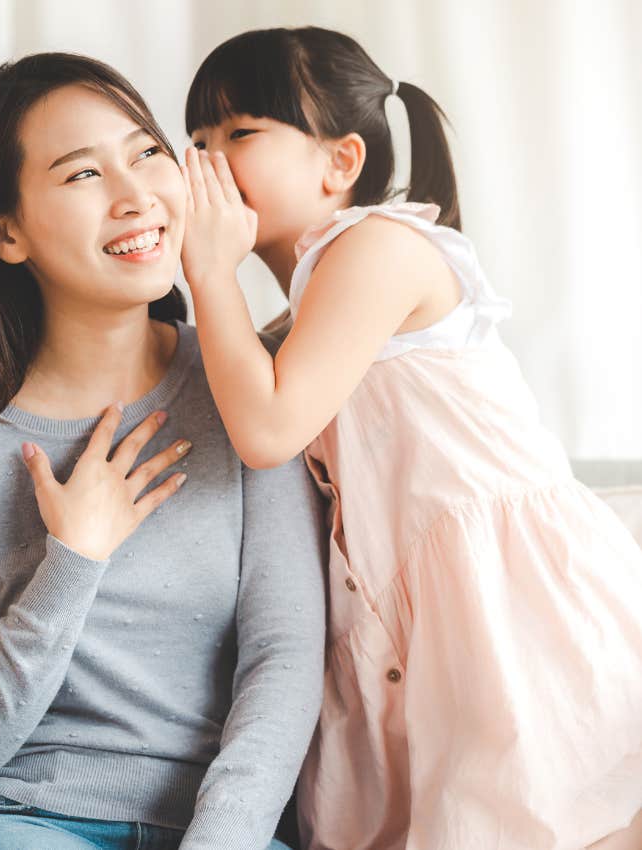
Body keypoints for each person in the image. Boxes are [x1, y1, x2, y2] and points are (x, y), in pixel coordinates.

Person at [180, 25, 642, 850]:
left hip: (511, 604)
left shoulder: (378, 247)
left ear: (341, 162)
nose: (208, 163)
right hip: (418, 627)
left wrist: (210, 273)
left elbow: (268, 431)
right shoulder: (298, 315)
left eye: (240, 133)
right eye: (197, 142)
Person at [0, 51, 326, 850]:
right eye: (83, 175)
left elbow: (283, 657)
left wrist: (222, 841)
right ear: (2, 231)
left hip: (216, 829)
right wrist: (73, 560)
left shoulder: (245, 391)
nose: (135, 196)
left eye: (147, 153)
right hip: (11, 822)